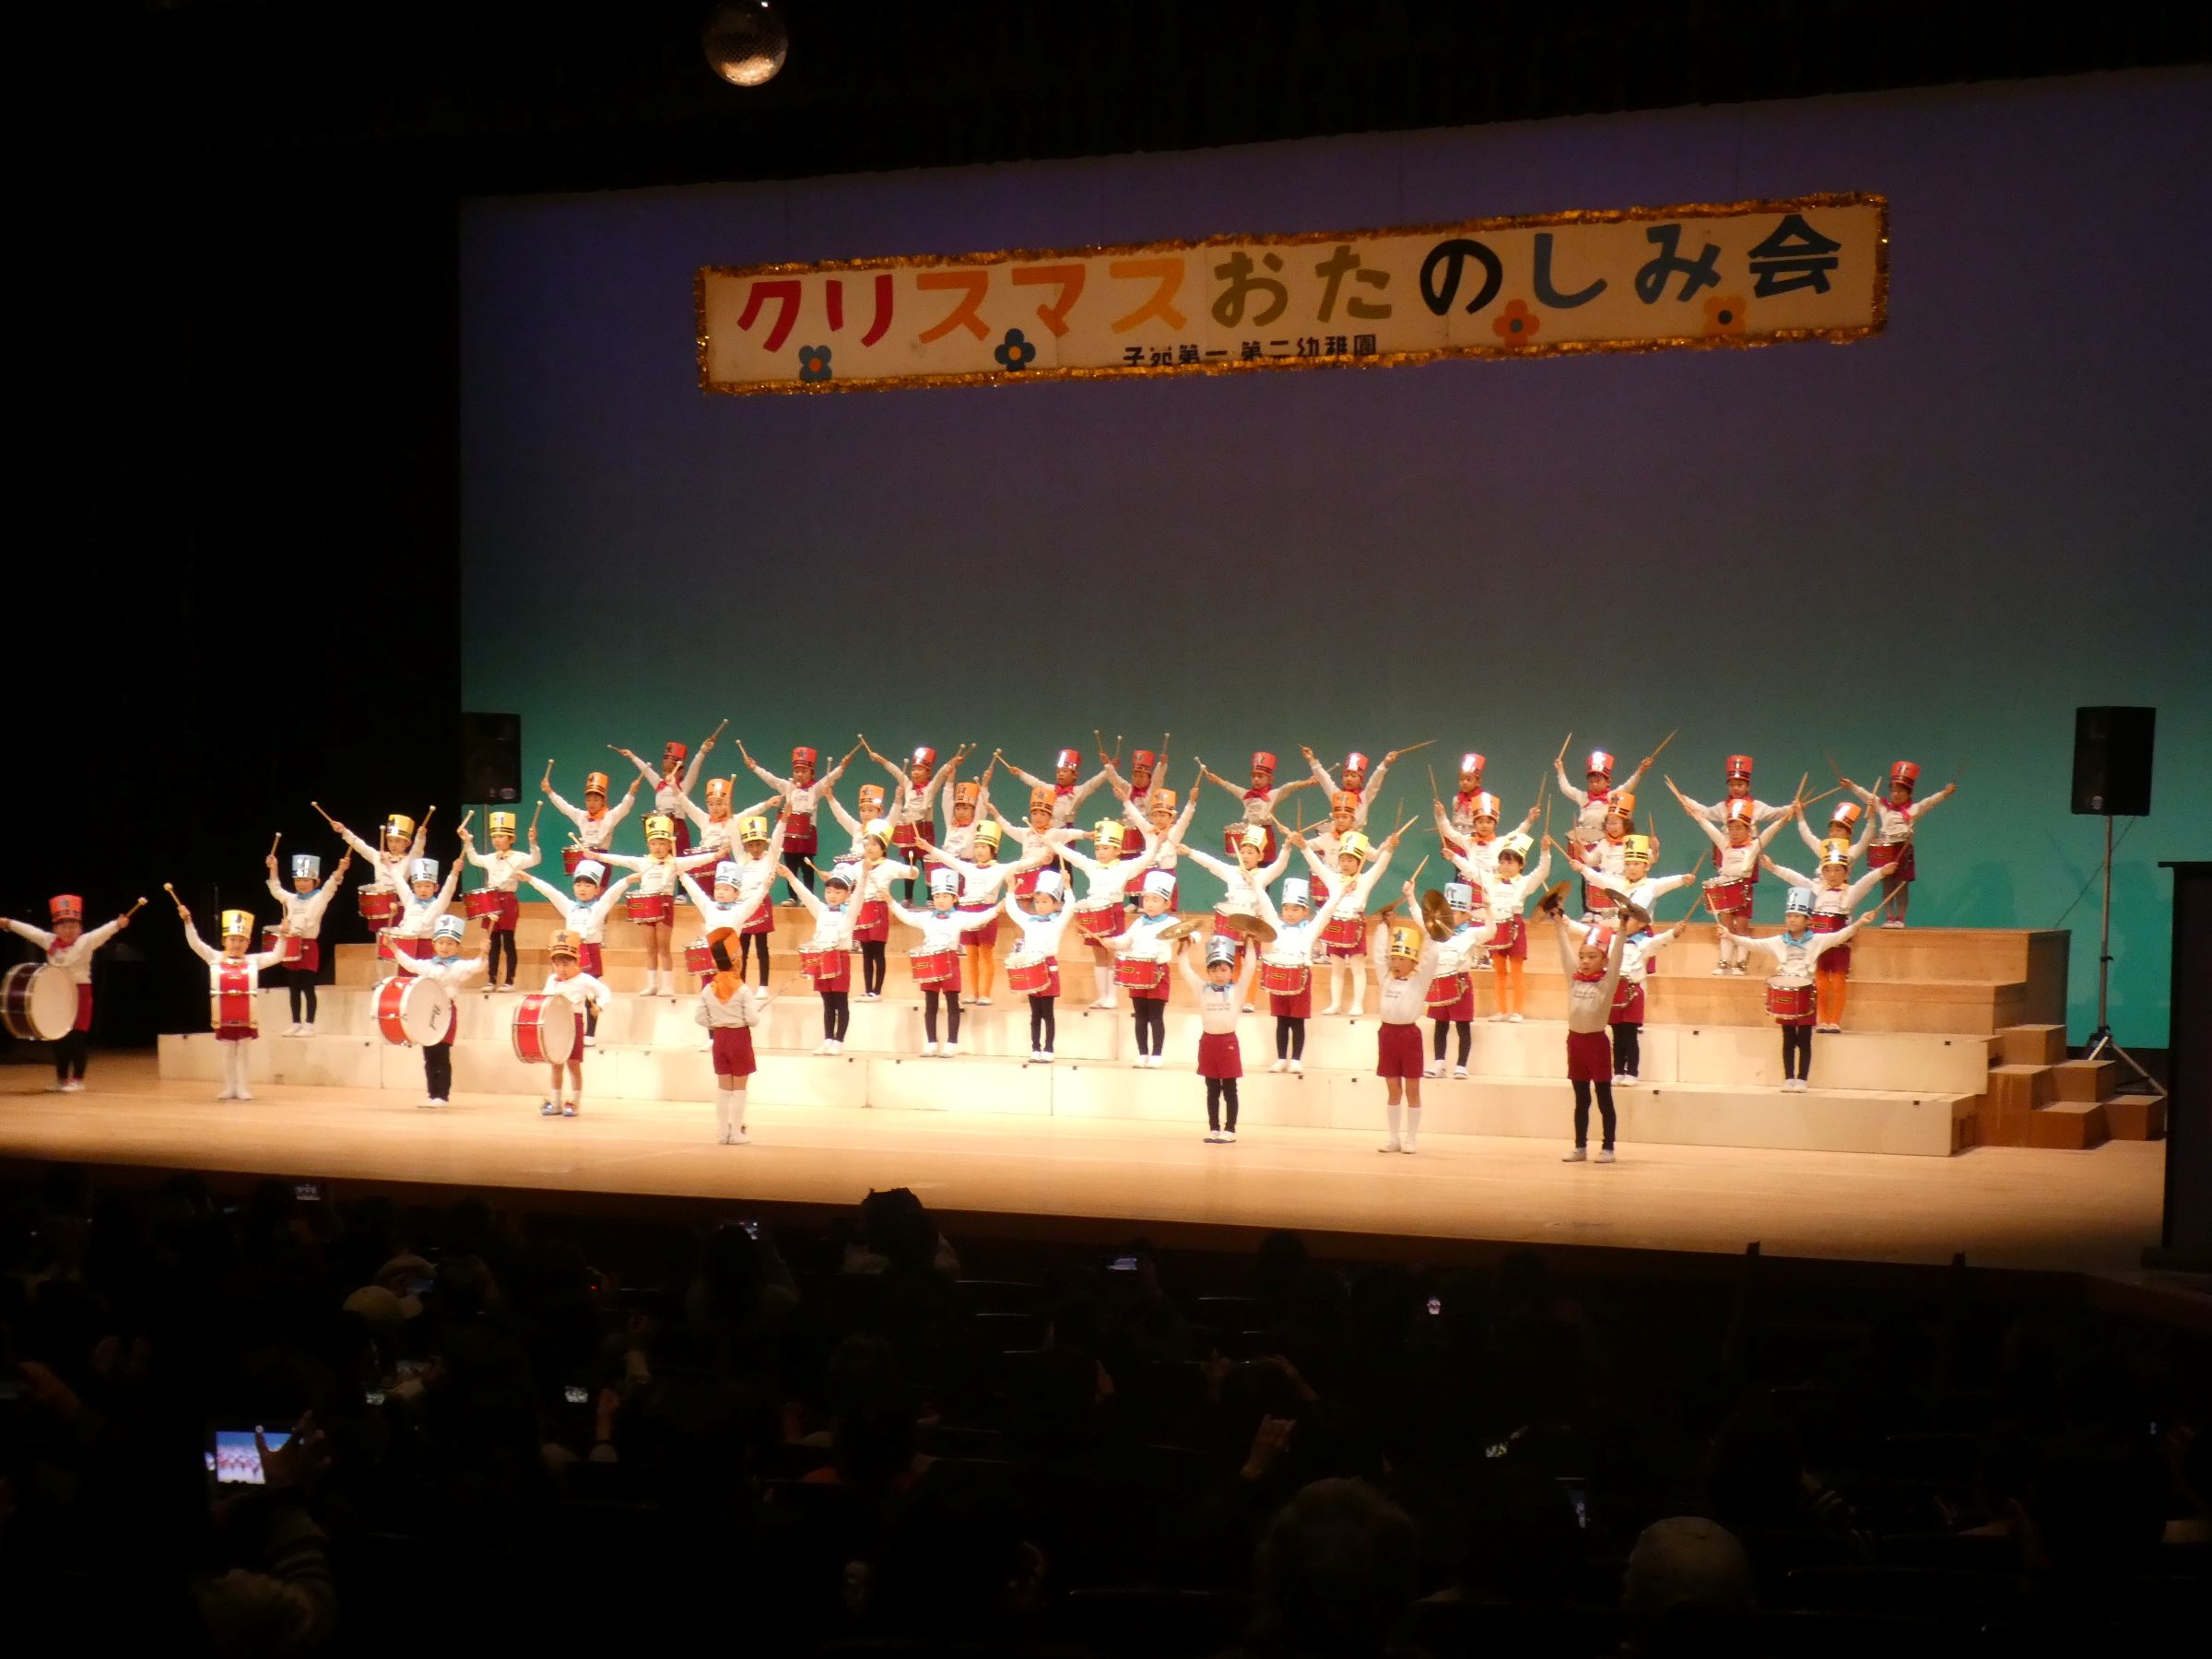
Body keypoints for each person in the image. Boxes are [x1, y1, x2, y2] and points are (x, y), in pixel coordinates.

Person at [1717, 891, 1879, 1089]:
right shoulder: (1779, 941)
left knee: (1804, 1038)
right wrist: (1729, 935)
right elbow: (1753, 943)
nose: (1792, 920)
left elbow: (1840, 936)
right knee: (1788, 1038)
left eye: (1796, 916)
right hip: (1786, 992)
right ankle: (1788, 1078)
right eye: (1789, 916)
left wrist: (1860, 922)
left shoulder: (1816, 940)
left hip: (1806, 992)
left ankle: (1802, 1078)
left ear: (1807, 920)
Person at [1, 893, 135, 1090]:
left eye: (73, 926)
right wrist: (9, 923)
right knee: (58, 1038)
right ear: (55, 928)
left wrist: (118, 924)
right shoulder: (49, 941)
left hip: (80, 993)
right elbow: (30, 931)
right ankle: (62, 1078)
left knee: (77, 1038)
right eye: (63, 926)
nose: (68, 930)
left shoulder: (86, 941)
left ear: (80, 928)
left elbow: (103, 932)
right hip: (56, 995)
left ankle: (78, 1080)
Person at [1667, 782, 1797, 974]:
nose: (1734, 833)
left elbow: (1771, 831)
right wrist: (1695, 814)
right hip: (1725, 885)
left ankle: (1741, 962)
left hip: (1743, 887)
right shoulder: (1725, 844)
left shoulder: (1753, 846)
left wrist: (1785, 818)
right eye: (1731, 828)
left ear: (1748, 829)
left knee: (1742, 925)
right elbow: (1707, 826)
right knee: (1725, 924)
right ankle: (1725, 961)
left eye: (1739, 828)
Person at [1762, 843, 1889, 1030]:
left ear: (1846, 873)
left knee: (1838, 982)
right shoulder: (1817, 889)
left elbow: (1866, 882)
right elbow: (1796, 878)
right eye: (1828, 870)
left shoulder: (1849, 892)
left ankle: (1835, 1021)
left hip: (1840, 945)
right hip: (1818, 945)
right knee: (1820, 982)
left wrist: (1881, 872)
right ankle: (1822, 1020)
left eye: (1837, 870)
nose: (1832, 874)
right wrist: (1774, 868)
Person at [174, 898, 290, 1102]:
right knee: (227, 1052)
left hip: (246, 1014)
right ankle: (229, 1087)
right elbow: (196, 945)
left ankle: (243, 1087)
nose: (236, 945)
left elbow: (276, 956)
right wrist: (188, 922)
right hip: (224, 1013)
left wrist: (283, 934)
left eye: (241, 940)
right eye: (232, 939)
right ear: (224, 940)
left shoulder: (252, 960)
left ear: (248, 943)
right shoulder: (216, 957)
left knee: (244, 1051)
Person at [591, 814, 720, 995]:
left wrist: (716, 855)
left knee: (663, 946)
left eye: (662, 843)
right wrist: (596, 855)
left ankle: (667, 985)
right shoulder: (643, 862)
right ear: (648, 845)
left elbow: (698, 860)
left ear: (669, 844)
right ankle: (652, 984)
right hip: (646, 905)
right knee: (650, 947)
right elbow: (619, 859)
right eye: (654, 843)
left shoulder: (675, 862)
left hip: (664, 904)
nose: (658, 847)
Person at [1061, 807, 1173, 1012]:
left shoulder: (1124, 867)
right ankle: (1101, 996)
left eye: (1105, 848)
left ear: (1117, 850)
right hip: (1094, 912)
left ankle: (1112, 997)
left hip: (1112, 911)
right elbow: (1073, 856)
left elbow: (1146, 859)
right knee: (1098, 954)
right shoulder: (1091, 865)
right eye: (1098, 848)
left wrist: (1157, 844)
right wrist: (1052, 844)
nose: (1100, 852)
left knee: (1111, 951)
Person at [519, 859, 636, 1046]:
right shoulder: (569, 907)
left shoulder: (598, 907)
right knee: (567, 994)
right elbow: (551, 892)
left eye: (588, 885)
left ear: (597, 889)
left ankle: (590, 1034)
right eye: (579, 884)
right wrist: (531, 879)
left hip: (590, 951)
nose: (582, 889)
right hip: (570, 954)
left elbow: (611, 896)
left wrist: (626, 881)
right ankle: (566, 1029)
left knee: (591, 994)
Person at [1253, 870, 1351, 1074]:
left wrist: (1340, 894)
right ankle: (1281, 1058)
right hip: (1280, 978)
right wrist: (1255, 885)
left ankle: (1296, 1059)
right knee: (1281, 1020)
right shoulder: (1276, 926)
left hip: (1301, 978)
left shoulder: (1309, 929)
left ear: (1305, 911)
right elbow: (1266, 906)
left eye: (1295, 909)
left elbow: (1325, 913)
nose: (1290, 913)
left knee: (1297, 1022)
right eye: (1286, 908)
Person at [1840, 759, 1958, 926]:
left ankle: (1900, 918)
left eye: (1900, 791)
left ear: (1908, 793)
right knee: (1887, 884)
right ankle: (1889, 917)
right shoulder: (1884, 807)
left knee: (1901, 886)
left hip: (1902, 849)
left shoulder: (1913, 809)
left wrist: (1945, 793)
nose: (1895, 794)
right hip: (1886, 849)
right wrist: (1851, 786)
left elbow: (1930, 801)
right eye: (1893, 791)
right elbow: (1867, 795)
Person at [1298, 825, 1398, 1017]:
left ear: (1358, 861)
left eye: (1350, 860)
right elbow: (1317, 864)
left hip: (1355, 924)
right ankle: (1335, 1004)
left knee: (1357, 967)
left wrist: (1390, 849)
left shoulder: (1365, 879)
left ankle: (1357, 1004)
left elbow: (1381, 865)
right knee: (1336, 967)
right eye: (1342, 859)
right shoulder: (1332, 878)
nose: (1345, 863)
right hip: (1335, 926)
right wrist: (1303, 847)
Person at [1553, 909, 1630, 1162]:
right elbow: (1564, 954)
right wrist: (1558, 925)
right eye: (1582, 956)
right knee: (1581, 1099)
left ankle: (1608, 1147)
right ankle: (1580, 1147)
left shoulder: (1606, 983)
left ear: (1603, 961)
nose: (1585, 961)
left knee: (1604, 1097)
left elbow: (1617, 956)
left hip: (1596, 1044)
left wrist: (1623, 929)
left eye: (1592, 957)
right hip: (1574, 1043)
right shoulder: (1574, 980)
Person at [739, 738, 855, 902]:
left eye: (804, 771)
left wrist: (842, 766)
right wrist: (754, 767)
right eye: (797, 771)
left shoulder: (815, 789)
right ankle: (793, 897)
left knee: (807, 867)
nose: (799, 774)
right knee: (790, 866)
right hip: (789, 832)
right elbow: (770, 778)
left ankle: (807, 897)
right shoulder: (787, 787)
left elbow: (830, 779)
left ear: (811, 773)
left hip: (807, 832)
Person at [388, 914, 486, 1107]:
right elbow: (410, 964)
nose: (445, 947)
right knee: (429, 1055)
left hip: (446, 1013)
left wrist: (483, 953)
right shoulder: (428, 965)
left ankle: (442, 1095)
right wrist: (394, 948)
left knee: (442, 1054)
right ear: (434, 944)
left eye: (450, 943)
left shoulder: (458, 966)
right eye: (441, 942)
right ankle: (432, 1094)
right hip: (427, 1014)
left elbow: (476, 967)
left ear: (457, 947)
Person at [885, 868, 976, 1056]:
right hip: (930, 959)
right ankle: (931, 1042)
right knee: (930, 1004)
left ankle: (952, 1043)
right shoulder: (926, 917)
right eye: (937, 896)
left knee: (952, 1002)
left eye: (945, 896)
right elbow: (907, 917)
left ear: (954, 899)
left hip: (950, 960)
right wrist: (891, 902)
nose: (940, 900)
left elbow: (980, 918)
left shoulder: (960, 917)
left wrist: (997, 909)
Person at [696, 924, 773, 1143]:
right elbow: (753, 1020)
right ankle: (736, 1132)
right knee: (739, 1089)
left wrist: (716, 1022)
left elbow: (699, 1018)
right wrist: (748, 1015)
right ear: (736, 961)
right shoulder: (742, 989)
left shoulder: (708, 989)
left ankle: (722, 1133)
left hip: (719, 1038)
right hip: (739, 1038)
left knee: (723, 1088)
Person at [1179, 935, 1258, 1143]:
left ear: (1232, 970)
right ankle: (1213, 1128)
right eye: (1214, 970)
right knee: (1212, 1089)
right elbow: (1185, 970)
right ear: (1208, 972)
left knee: (1230, 1089)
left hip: (1228, 1043)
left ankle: (1230, 1129)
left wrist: (1250, 942)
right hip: (1208, 1043)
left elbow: (1250, 967)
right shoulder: (1202, 989)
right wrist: (1185, 947)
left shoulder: (1238, 989)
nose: (1219, 974)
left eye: (1223, 970)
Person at [259, 849, 349, 1034]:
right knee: (293, 987)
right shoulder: (291, 899)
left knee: (308, 987)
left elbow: (331, 885)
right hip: (292, 945)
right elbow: (276, 889)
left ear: (315, 882)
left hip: (309, 945)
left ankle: (309, 1023)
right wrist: (273, 868)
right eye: (298, 880)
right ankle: (295, 1023)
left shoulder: (319, 898)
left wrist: (340, 870)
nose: (302, 884)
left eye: (306, 880)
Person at [1372, 918, 1441, 1153]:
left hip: (1408, 1036)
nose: (1396, 963)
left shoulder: (1420, 981)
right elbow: (1378, 954)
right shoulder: (1386, 979)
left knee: (1412, 1089)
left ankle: (1411, 1138)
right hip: (1387, 1035)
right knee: (1392, 1088)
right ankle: (1393, 1138)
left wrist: (1430, 933)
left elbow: (1432, 957)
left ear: (1413, 962)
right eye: (1394, 958)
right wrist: (1383, 926)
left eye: (1402, 959)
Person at [1422, 882, 1497, 1080]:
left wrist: (1489, 910)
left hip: (1460, 984)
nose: (1450, 916)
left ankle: (1462, 1065)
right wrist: (1412, 896)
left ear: (1466, 915)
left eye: (1455, 912)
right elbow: (1417, 916)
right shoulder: (1436, 933)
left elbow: (1490, 932)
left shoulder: (1470, 934)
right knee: (1440, 1024)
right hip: (1439, 982)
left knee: (1463, 1025)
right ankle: (1439, 1063)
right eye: (1447, 911)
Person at [456, 811, 539, 989]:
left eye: (501, 836)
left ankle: (510, 980)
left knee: (508, 941)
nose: (497, 840)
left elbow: (535, 859)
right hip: (491, 900)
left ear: (511, 838)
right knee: (493, 942)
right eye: (494, 836)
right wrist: (468, 841)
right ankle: (491, 979)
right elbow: (474, 859)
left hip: (508, 900)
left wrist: (532, 842)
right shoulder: (490, 858)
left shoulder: (518, 857)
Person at [785, 858, 861, 1053]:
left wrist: (866, 875)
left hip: (840, 958)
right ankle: (827, 1039)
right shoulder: (821, 910)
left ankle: (839, 1042)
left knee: (840, 1002)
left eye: (838, 892)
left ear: (847, 893)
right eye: (828, 891)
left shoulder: (850, 913)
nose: (832, 896)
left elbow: (859, 896)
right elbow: (806, 895)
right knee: (827, 1002)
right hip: (821, 959)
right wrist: (790, 877)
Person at [1002, 866, 1077, 1063]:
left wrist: (1067, 886)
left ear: (1055, 903)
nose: (1040, 906)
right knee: (1035, 1013)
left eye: (1045, 902)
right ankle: (1035, 1047)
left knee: (1048, 1012)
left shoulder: (1057, 922)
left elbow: (1070, 908)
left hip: (1048, 967)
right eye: (1037, 902)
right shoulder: (1029, 921)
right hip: (1031, 968)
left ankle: (1049, 1048)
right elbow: (1013, 910)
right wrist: (1010, 890)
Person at [536, 929, 612, 1117]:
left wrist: (599, 1006)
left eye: (566, 964)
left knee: (573, 1064)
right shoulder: (551, 980)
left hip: (573, 1024)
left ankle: (575, 1103)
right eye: (557, 964)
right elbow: (545, 999)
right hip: (555, 1025)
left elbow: (605, 992)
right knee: (556, 1064)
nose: (561, 968)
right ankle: (556, 1102)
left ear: (576, 961)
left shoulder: (584, 979)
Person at [1112, 870, 1183, 1067]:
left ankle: (1157, 1054)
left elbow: (1192, 933)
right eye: (1147, 899)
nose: (1150, 904)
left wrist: (1189, 938)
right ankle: (1142, 1053)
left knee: (1155, 1015)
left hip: (1158, 972)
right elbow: (1126, 940)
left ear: (1167, 904)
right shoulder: (1139, 922)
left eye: (1155, 900)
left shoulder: (1171, 922)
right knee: (1140, 1014)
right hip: (1137, 971)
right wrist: (1113, 942)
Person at [1199, 749, 1319, 864]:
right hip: (1249, 832)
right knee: (1248, 866)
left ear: (1270, 779)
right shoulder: (1247, 795)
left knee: (1265, 867)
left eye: (1260, 776)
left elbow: (1289, 787)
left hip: (1265, 834)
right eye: (1254, 776)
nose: (1256, 779)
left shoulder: (1273, 794)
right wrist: (1218, 780)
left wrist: (1307, 782)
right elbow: (1230, 787)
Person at [617, 730, 720, 859]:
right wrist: (632, 757)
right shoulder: (659, 784)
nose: (666, 773)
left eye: (670, 770)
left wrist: (702, 751)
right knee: (660, 862)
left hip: (678, 829)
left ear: (681, 771)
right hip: (660, 828)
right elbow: (646, 770)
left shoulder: (683, 786)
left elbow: (694, 767)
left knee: (681, 864)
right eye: (664, 770)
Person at [1610, 917, 1687, 1085]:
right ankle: (1617, 1071)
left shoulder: (1644, 943)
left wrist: (1673, 932)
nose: (1624, 921)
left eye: (1629, 919)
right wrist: (1566, 922)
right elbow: (1588, 932)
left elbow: (1660, 941)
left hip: (1633, 991)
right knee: (1617, 1035)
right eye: (1623, 918)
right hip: (1615, 990)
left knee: (1630, 1035)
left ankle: (1632, 1072)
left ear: (1641, 924)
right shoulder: (1614, 940)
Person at [1483, 832, 1550, 1022]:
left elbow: (1542, 871)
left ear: (1521, 865)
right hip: (1495, 926)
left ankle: (1517, 1011)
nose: (1505, 866)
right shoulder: (1491, 880)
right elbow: (1471, 870)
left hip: (1514, 926)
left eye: (1510, 862)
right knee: (1499, 971)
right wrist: (1454, 856)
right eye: (1502, 862)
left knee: (1516, 970)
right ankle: (1502, 1010)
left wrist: (1545, 851)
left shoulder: (1524, 882)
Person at [1553, 745, 1656, 840]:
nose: (1594, 784)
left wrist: (1640, 770)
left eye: (1598, 781)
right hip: (1585, 840)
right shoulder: (1583, 797)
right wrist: (1560, 770)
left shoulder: (1612, 796)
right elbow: (1566, 789)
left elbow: (1628, 786)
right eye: (1591, 782)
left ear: (1608, 781)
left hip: (1605, 840)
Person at [541, 764, 640, 863]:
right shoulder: (581, 816)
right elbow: (565, 807)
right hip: (585, 858)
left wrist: (631, 793)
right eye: (588, 800)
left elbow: (624, 807)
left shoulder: (609, 816)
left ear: (603, 801)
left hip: (602, 859)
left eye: (596, 800)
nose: (592, 803)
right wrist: (549, 792)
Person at [999, 745, 1111, 831]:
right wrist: (1021, 773)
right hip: (1047, 829)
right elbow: (1035, 783)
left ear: (1074, 775)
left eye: (1065, 771)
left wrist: (1109, 768)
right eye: (1058, 772)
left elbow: (1094, 783)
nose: (1060, 774)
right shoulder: (1050, 789)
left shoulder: (1078, 791)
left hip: (1065, 830)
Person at [1301, 744, 1407, 830]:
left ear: (1360, 780)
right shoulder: (1337, 795)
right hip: (1335, 836)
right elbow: (1324, 779)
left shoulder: (1364, 796)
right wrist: (1311, 759)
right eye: (1346, 776)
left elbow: (1375, 782)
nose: (1349, 779)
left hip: (1355, 839)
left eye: (1353, 776)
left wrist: (1385, 763)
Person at [383, 855, 461, 964]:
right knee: (405, 976)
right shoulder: (409, 899)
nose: (423, 890)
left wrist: (454, 872)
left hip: (426, 946)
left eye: (427, 886)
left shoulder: (438, 905)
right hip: (406, 944)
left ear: (435, 888)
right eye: (418, 886)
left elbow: (448, 890)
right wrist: (389, 864)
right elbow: (399, 882)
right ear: (413, 887)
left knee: (423, 977)